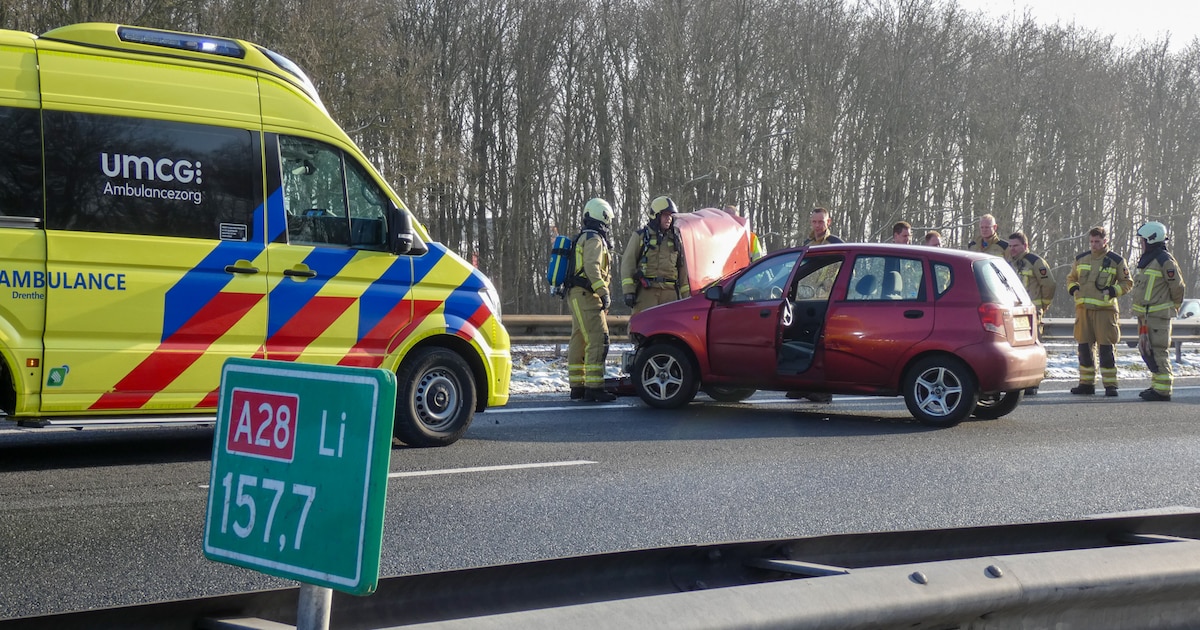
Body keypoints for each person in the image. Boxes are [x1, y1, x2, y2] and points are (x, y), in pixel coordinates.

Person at [1065, 226, 1132, 397]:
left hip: (1105, 311)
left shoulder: (1116, 260)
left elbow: (1127, 282)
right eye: (1092, 242)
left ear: (1105, 241)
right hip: (1083, 311)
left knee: (1106, 349)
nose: (1094, 245)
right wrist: (1073, 289)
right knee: (1084, 348)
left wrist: (1113, 290)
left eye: (1098, 242)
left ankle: (1110, 385)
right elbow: (1071, 278)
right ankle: (1086, 384)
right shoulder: (1081, 259)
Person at [567, 198, 617, 402]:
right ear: (603, 216)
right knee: (598, 339)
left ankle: (577, 386)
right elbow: (592, 268)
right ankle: (594, 387)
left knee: (579, 339)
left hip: (577, 294)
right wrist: (604, 292)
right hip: (587, 295)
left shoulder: (583, 237)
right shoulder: (595, 239)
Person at [1131, 221, 1186, 401]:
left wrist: (1174, 306)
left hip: (1158, 316)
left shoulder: (1164, 260)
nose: (1141, 244)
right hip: (1146, 316)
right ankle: (1157, 385)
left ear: (1152, 239)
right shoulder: (1147, 260)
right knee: (1148, 351)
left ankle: (1163, 390)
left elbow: (1177, 287)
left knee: (1158, 351)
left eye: (1143, 240)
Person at [620, 196, 689, 315]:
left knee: (670, 330)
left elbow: (683, 271)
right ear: (656, 215)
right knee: (642, 328)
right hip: (646, 292)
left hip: (670, 295)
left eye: (670, 216)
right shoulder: (640, 236)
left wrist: (687, 297)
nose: (669, 219)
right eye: (665, 215)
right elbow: (628, 264)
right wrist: (629, 291)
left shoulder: (676, 240)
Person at [1008, 231, 1056, 395]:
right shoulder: (1009, 263)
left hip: (1031, 312)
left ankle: (1033, 383)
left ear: (1025, 246)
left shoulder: (1035, 262)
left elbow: (1049, 285)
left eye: (1016, 246)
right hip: (1014, 313)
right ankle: (1020, 381)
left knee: (1033, 347)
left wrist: (1043, 304)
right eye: (1010, 246)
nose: (1012, 249)